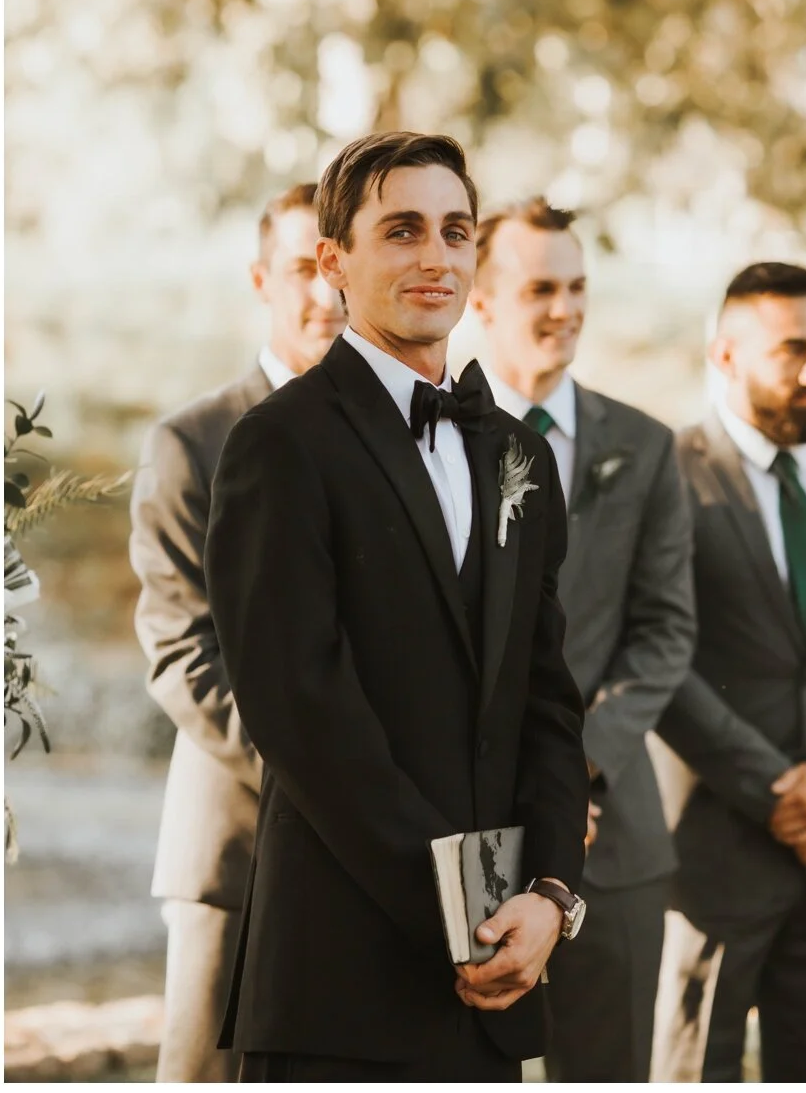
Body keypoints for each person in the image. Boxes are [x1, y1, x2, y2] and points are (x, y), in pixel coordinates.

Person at [203, 131, 591, 1081]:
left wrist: (549, 896)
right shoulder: (279, 444)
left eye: (455, 232)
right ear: (335, 261)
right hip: (340, 975)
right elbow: (301, 710)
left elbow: (545, 696)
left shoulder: (519, 455)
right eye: (403, 230)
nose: (436, 257)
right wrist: (456, 910)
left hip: (496, 978)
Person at [470, 197, 696, 1082]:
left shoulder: (644, 446)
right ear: (482, 300)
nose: (564, 309)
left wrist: (575, 772)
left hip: (615, 836)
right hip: (467, 827)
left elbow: (665, 632)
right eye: (540, 289)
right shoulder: (437, 439)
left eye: (577, 287)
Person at [130, 183, 344, 1082]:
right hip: (240, 850)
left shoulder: (405, 437)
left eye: (338, 268)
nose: (327, 294)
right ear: (261, 280)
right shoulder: (193, 442)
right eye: (302, 269)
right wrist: (336, 787)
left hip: (382, 867)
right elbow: (183, 651)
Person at [654, 262, 806, 1081]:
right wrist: (779, 790)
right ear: (725, 356)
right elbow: (659, 655)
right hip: (713, 855)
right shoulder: (666, 472)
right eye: (794, 350)